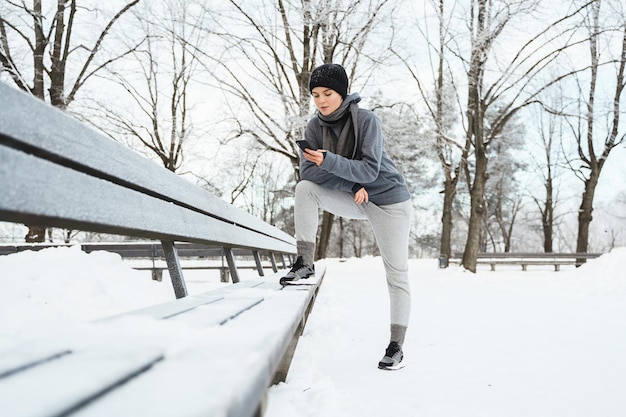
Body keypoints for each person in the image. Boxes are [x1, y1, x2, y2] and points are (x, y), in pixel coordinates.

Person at [280, 63, 413, 370]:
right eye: (315, 94)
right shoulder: (314, 128)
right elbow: (310, 172)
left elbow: (370, 169)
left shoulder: (366, 121)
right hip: (356, 196)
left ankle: (396, 346)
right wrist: (352, 182)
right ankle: (304, 262)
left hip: (390, 202)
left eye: (327, 93)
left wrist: (332, 162)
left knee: (396, 274)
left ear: (342, 92)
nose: (321, 100)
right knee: (305, 188)